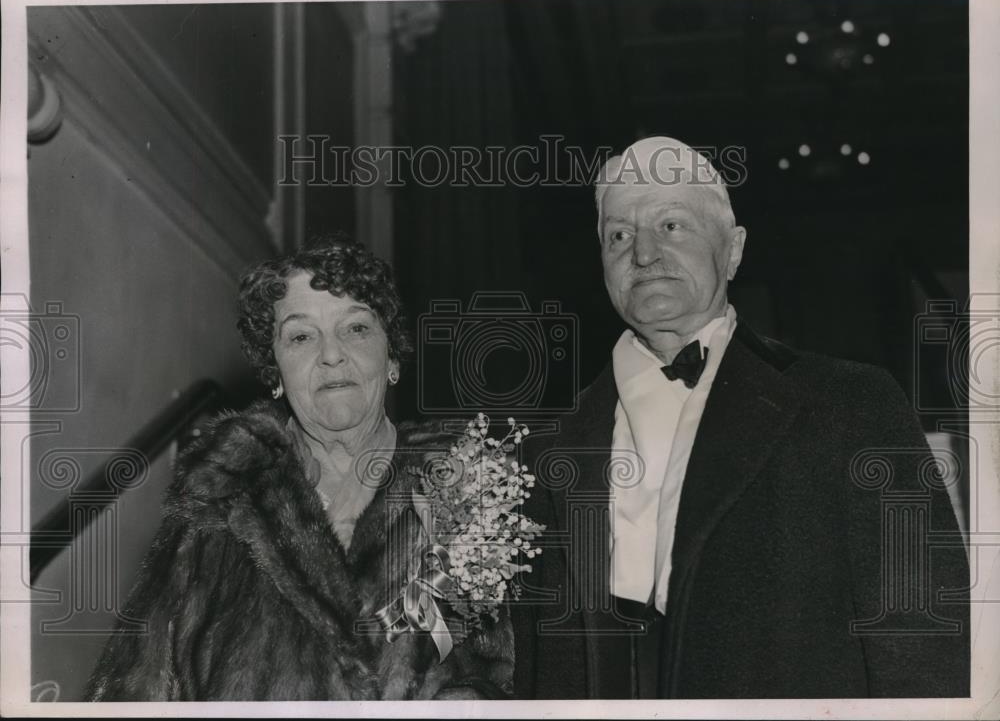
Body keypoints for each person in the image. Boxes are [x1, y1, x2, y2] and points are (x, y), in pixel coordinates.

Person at [512, 136, 969, 699]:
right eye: (619, 235)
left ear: (732, 250)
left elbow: (922, 640)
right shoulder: (544, 448)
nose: (643, 254)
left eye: (672, 225)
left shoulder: (850, 404)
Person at [86, 234, 513, 701]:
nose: (331, 355)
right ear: (275, 370)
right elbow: (131, 691)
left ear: (391, 355)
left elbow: (529, 672)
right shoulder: (221, 501)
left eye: (356, 329)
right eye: (301, 336)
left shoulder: (472, 488)